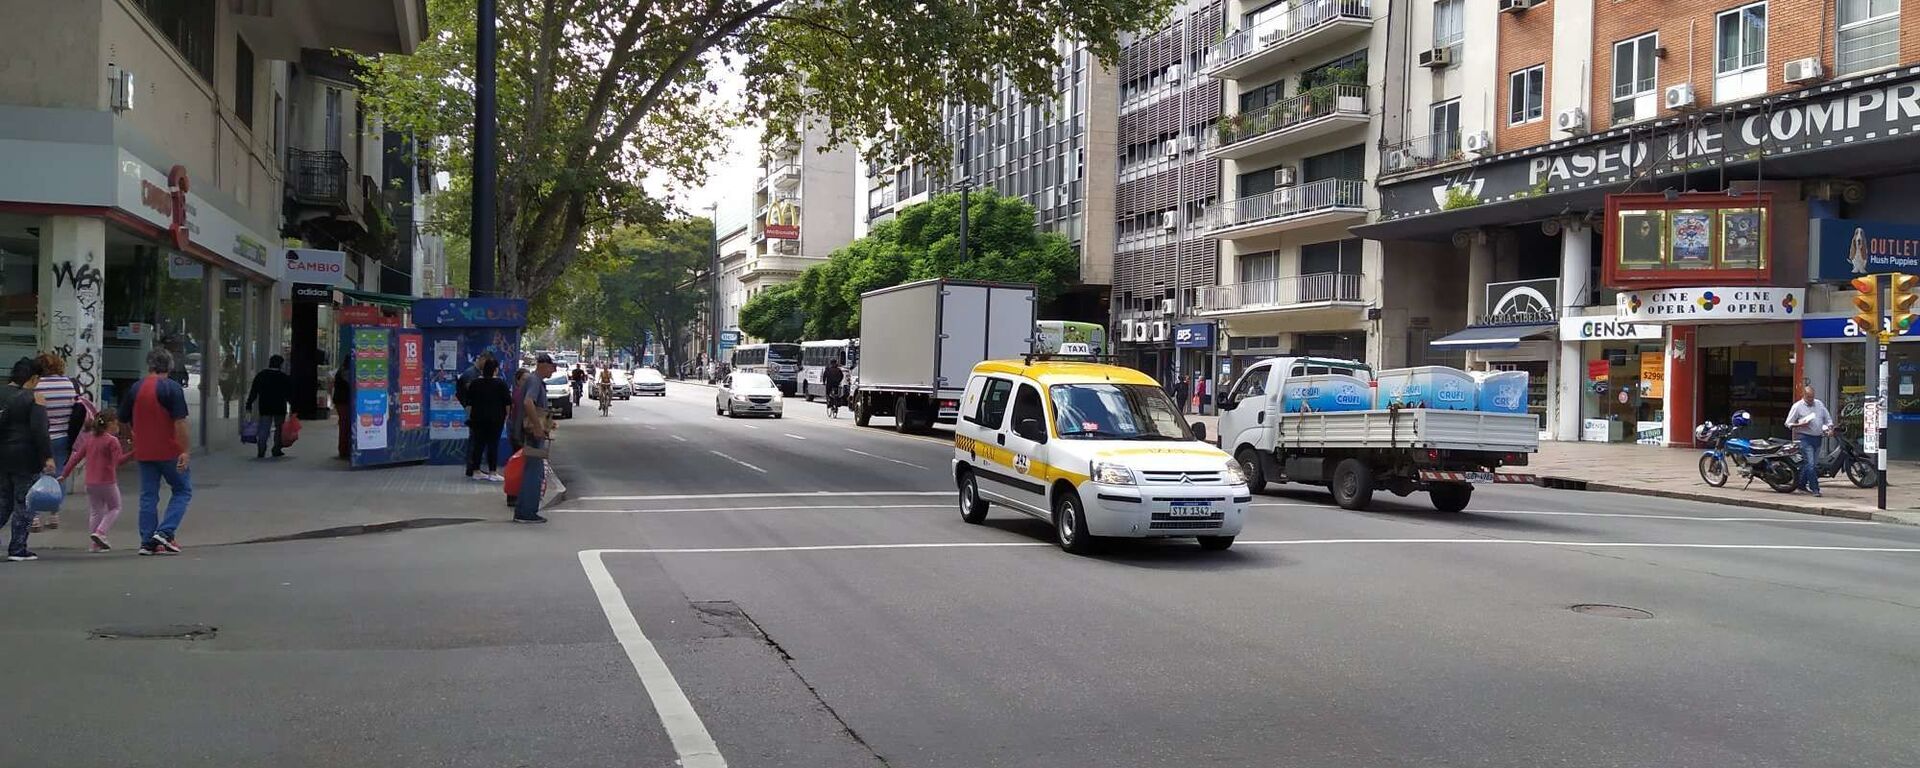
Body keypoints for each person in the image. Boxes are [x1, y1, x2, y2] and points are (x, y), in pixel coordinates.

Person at [120, 348, 193, 556]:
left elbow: (123, 419)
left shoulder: (135, 388)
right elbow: (180, 423)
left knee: (148, 495)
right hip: (169, 450)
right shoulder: (172, 388)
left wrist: (131, 438)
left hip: (144, 450)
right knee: (182, 490)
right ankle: (165, 532)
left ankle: (146, 540)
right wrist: (185, 450)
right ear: (169, 366)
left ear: (149, 365)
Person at [0, 358, 53, 561]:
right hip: (25, 457)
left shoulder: (2, 393)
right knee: (24, 503)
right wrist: (47, 456)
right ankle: (17, 548)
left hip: (3, 457)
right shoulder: (34, 398)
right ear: (33, 378)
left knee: (4, 502)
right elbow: (39, 431)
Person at [59, 412, 131, 552]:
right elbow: (119, 461)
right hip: (107, 480)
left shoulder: (90, 439)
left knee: (95, 511)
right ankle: (100, 532)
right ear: (110, 424)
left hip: (90, 482)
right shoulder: (112, 441)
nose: (118, 427)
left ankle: (95, 545)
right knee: (115, 507)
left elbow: (75, 458)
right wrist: (134, 453)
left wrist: (64, 475)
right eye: (116, 423)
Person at [32, 353, 80, 530]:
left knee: (36, 474)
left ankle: (34, 516)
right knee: (59, 474)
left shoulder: (37, 386)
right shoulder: (70, 384)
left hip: (40, 437)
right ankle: (54, 515)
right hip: (62, 436)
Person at [512, 354, 557, 523]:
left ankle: (524, 511)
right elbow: (528, 403)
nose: (553, 371)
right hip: (532, 434)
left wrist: (547, 424)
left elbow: (537, 408)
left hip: (532, 432)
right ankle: (527, 513)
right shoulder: (535, 381)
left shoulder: (535, 380)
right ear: (543, 365)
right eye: (552, 367)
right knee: (534, 473)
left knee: (532, 471)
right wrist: (538, 428)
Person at [464, 357, 512, 482]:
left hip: (477, 419)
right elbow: (507, 403)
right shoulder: (500, 384)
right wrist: (507, 416)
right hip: (495, 420)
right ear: (495, 370)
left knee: (478, 445)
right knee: (493, 445)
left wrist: (469, 417)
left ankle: (476, 471)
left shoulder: (475, 383)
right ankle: (492, 472)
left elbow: (469, 402)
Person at [1786, 384, 1835, 497]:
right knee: (1811, 464)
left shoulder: (1819, 404)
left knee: (1808, 464)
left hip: (1817, 437)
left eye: (1812, 397)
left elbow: (1827, 418)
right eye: (1808, 397)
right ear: (1804, 396)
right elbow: (1788, 423)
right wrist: (1799, 424)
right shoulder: (1797, 406)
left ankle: (1801, 485)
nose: (1811, 400)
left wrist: (1830, 428)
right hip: (1804, 437)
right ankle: (1815, 488)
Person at [244, 355, 294, 459]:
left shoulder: (261, 375)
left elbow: (254, 392)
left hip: (265, 406)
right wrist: (293, 406)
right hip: (279, 407)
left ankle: (261, 450)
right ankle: (276, 449)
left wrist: (249, 404)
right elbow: (289, 394)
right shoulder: (283, 377)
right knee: (279, 428)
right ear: (280, 364)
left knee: (264, 428)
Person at [333, 364, 353, 459]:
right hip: (344, 402)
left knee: (344, 425)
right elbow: (350, 383)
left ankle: (344, 449)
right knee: (345, 425)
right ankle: (344, 450)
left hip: (341, 401)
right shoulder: (345, 372)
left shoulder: (341, 371)